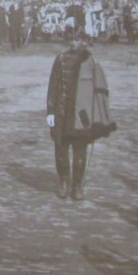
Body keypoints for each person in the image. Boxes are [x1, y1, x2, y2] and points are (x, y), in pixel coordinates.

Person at [44, 34, 116, 200]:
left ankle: (77, 186)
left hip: (81, 116)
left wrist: (97, 116)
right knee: (60, 150)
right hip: (61, 113)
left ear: (84, 41)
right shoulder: (60, 59)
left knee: (80, 152)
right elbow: (53, 85)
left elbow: (99, 91)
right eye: (72, 39)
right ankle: (63, 182)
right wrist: (50, 111)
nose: (75, 42)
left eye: (79, 39)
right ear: (68, 40)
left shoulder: (91, 62)